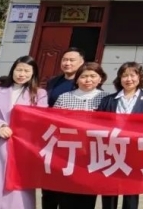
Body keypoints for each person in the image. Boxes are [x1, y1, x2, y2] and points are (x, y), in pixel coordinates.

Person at [0, 56, 48, 209]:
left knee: (17, 192)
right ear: (12, 70)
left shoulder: (39, 94)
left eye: (26, 71)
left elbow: (42, 120)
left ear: (33, 73)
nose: (22, 74)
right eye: (19, 70)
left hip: (22, 150)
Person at [98, 62, 143, 209]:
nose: (128, 79)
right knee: (109, 189)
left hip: (135, 152)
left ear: (139, 77)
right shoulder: (108, 100)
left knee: (131, 191)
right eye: (124, 75)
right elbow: (98, 124)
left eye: (132, 75)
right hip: (111, 151)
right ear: (119, 78)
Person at [53, 62, 110, 209]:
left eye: (93, 76)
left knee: (88, 195)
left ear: (100, 79)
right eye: (84, 76)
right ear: (77, 79)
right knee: (66, 195)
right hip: (68, 152)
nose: (88, 80)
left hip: (93, 153)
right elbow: (54, 123)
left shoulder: (106, 98)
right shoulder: (64, 97)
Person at [43, 47, 85, 209]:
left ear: (81, 63)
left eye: (72, 60)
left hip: (76, 141)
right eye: (64, 60)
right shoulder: (54, 82)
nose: (67, 63)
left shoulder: (85, 82)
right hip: (54, 137)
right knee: (50, 181)